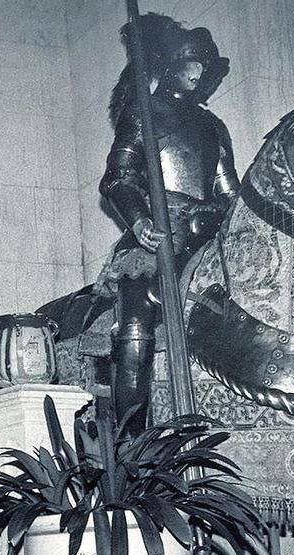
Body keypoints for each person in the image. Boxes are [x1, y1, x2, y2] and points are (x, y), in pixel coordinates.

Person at [97, 13, 236, 433]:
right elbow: (117, 178)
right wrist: (139, 220)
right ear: (171, 64)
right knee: (138, 319)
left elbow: (228, 191)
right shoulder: (144, 112)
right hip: (159, 231)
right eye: (191, 63)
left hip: (207, 235)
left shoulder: (214, 126)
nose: (198, 73)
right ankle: (131, 438)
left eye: (204, 66)